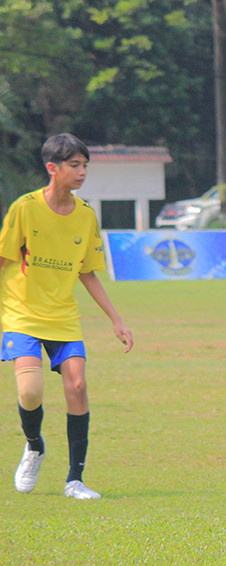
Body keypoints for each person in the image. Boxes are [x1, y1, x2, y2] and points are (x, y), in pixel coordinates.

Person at [2, 133, 134, 500]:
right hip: (21, 314)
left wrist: (115, 319)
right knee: (30, 391)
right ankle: (34, 445)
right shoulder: (24, 209)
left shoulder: (86, 215)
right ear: (52, 168)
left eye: (85, 165)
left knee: (77, 387)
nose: (82, 172)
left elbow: (87, 271)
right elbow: (2, 259)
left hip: (62, 316)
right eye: (75, 165)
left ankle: (74, 480)